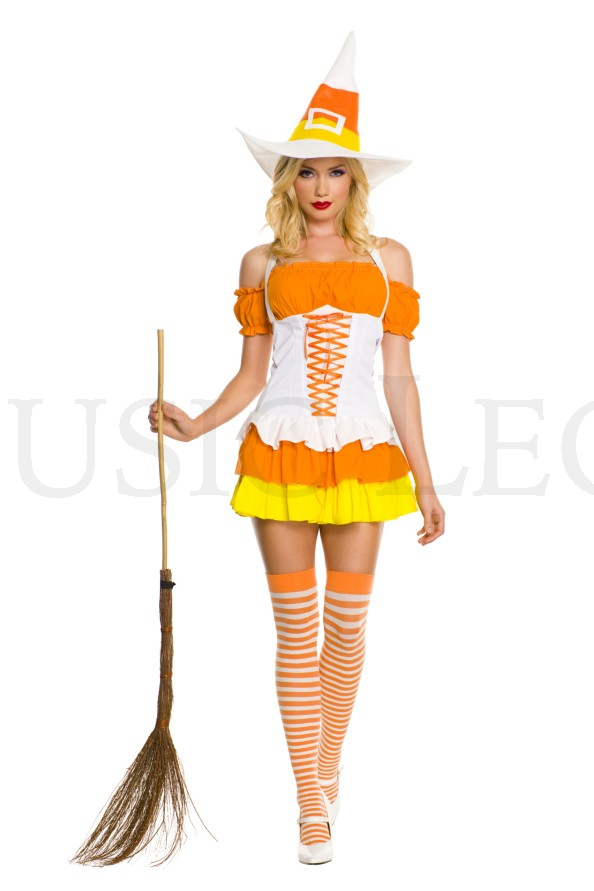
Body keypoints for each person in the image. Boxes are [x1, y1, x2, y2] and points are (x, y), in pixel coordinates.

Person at [148, 32, 445, 865]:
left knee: (346, 631)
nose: (320, 187)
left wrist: (426, 482)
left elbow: (399, 378)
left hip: (363, 458)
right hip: (278, 456)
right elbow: (252, 374)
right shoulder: (262, 263)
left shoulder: (389, 260)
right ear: (288, 180)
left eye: (336, 171)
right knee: (295, 629)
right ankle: (309, 799)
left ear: (355, 180)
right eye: (306, 171)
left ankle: (327, 761)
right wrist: (198, 423)